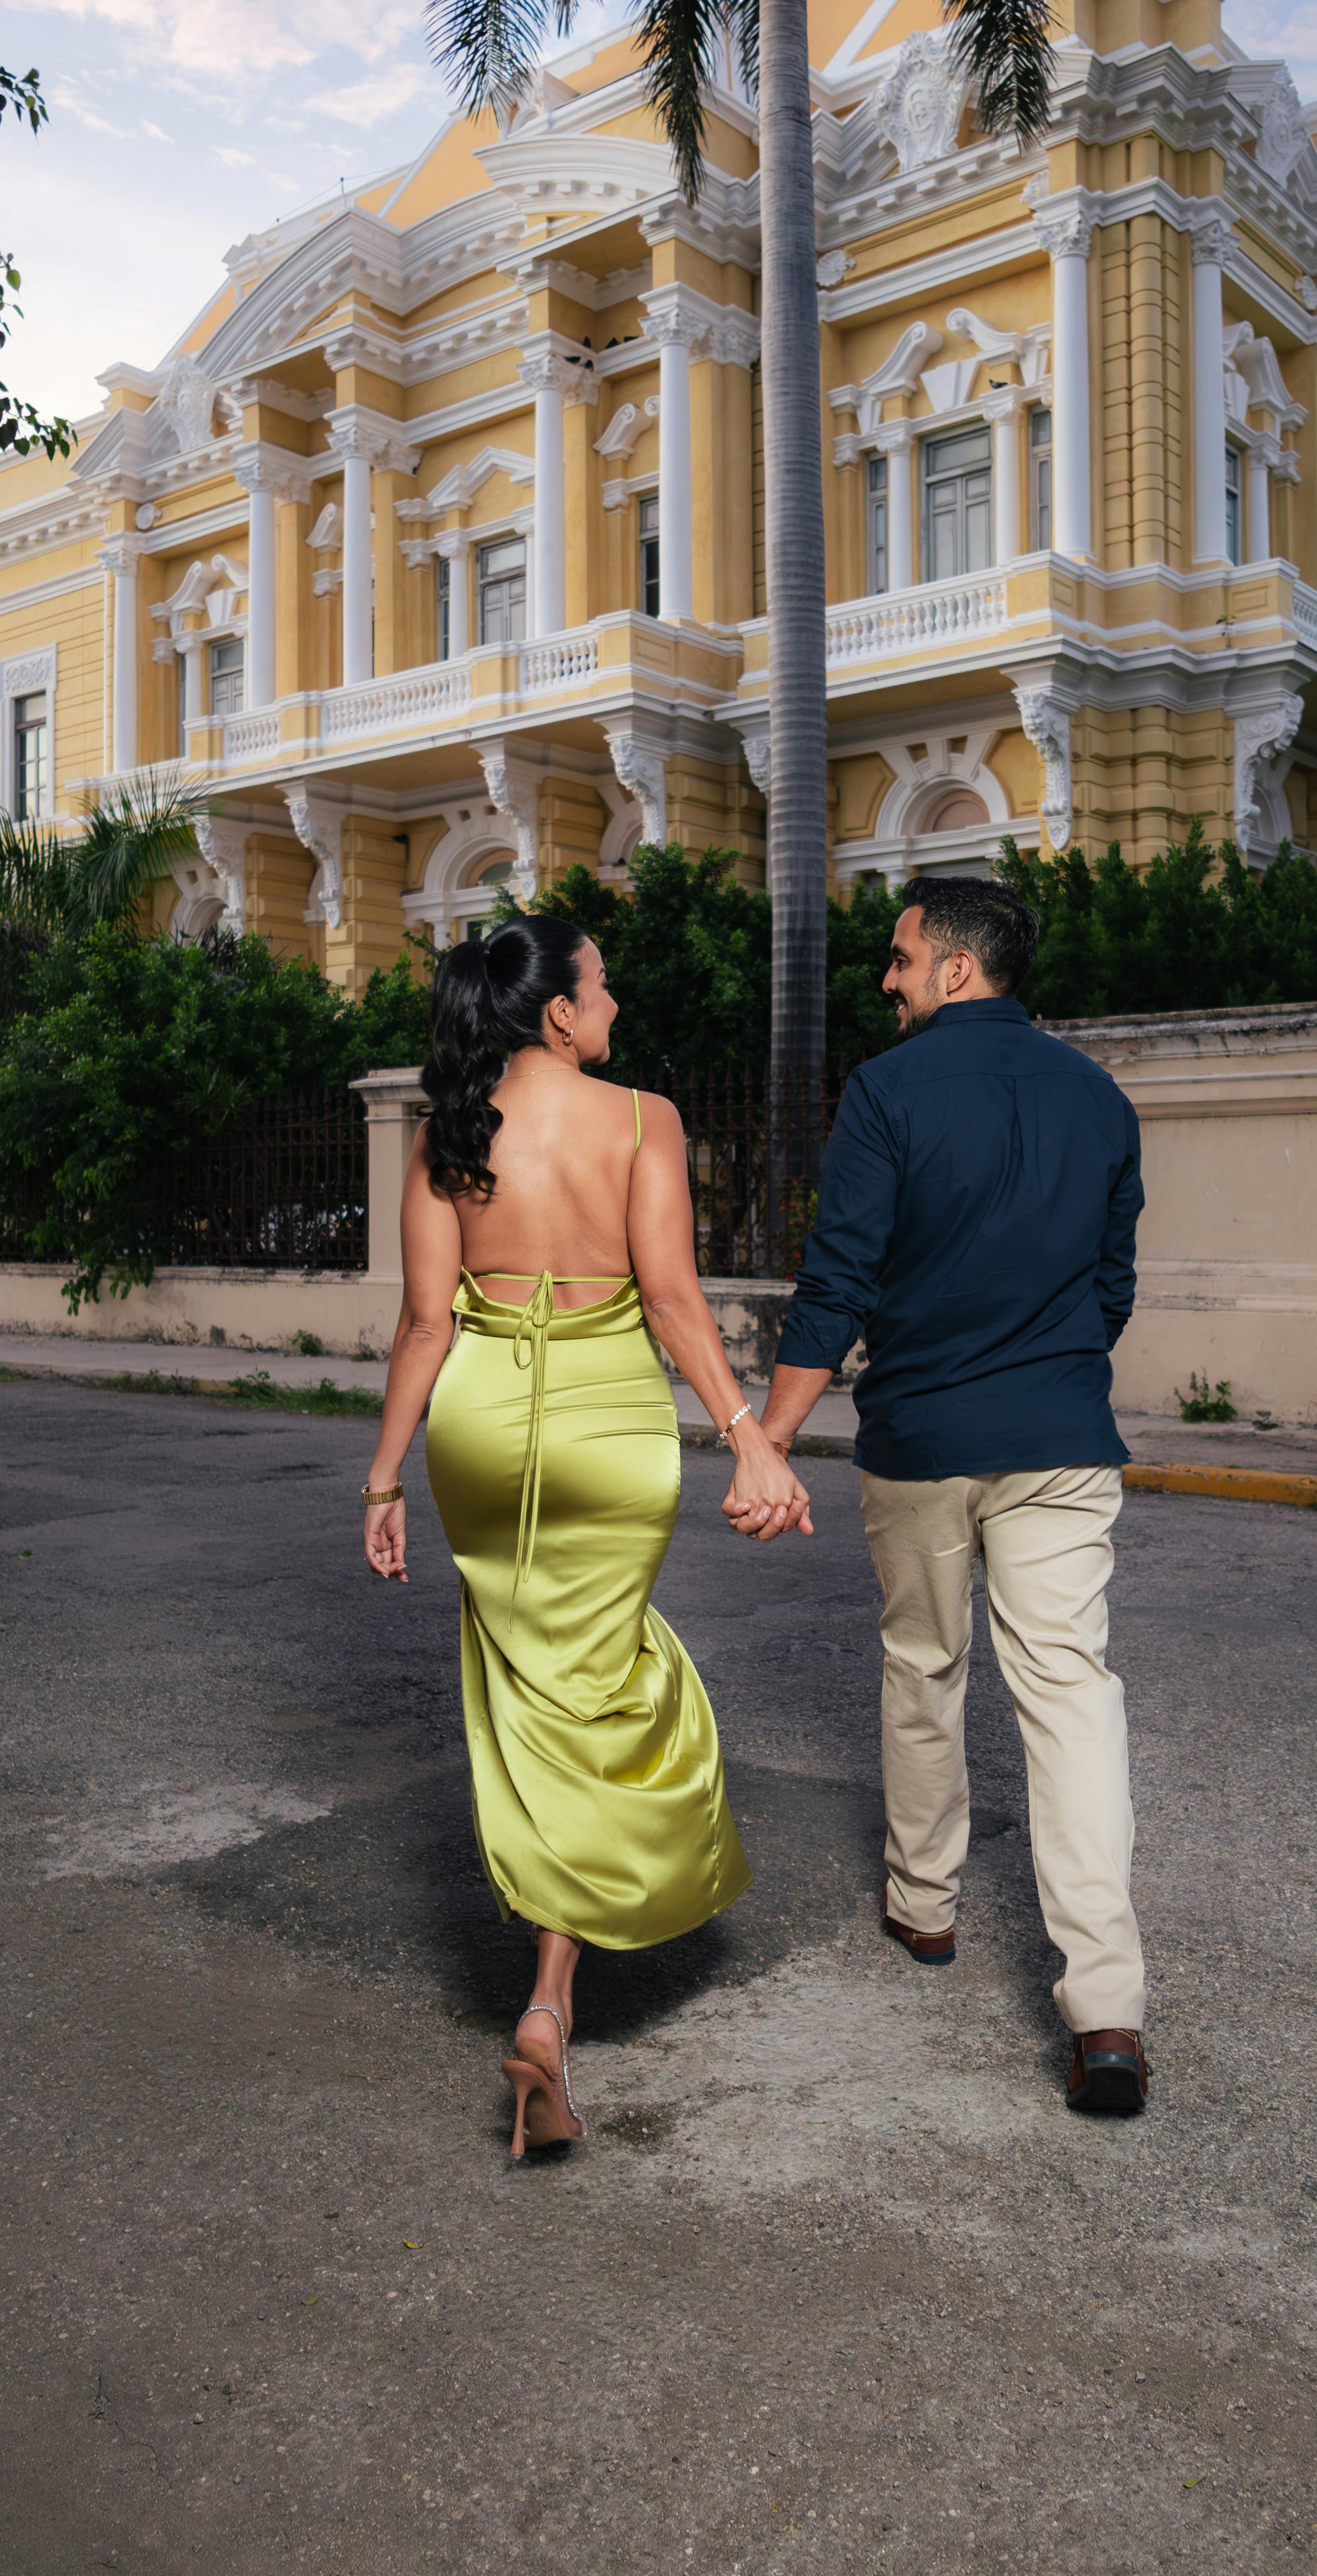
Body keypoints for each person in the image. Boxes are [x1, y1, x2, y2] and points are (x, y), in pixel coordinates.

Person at [361, 917, 811, 2157]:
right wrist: (748, 1436)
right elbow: (671, 1298)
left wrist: (384, 1479)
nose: (614, 1002)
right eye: (602, 985)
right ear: (558, 1011)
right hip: (611, 1427)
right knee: (601, 1671)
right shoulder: (643, 1119)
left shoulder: (448, 1130)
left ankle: (550, 2001)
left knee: (528, 1678)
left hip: (484, 1426)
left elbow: (423, 1324)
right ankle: (550, 2002)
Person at [745, 878, 1151, 2114]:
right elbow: (1113, 1284)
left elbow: (838, 1280)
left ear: (956, 969)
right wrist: (1048, 1368)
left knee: (925, 1664)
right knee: (1071, 1697)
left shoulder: (886, 1090)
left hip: (923, 1437)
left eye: (900, 957)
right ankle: (1108, 2010)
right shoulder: (1099, 1095)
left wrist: (770, 1437)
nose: (887, 977)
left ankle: (924, 1903)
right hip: (1061, 1436)